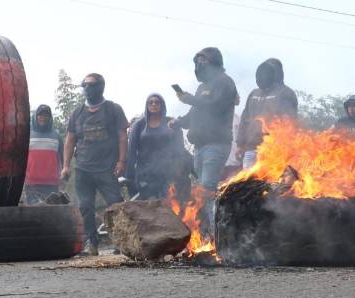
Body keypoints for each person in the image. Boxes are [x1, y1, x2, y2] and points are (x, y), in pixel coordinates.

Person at [62, 74, 129, 256]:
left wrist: (122, 161)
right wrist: (66, 165)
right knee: (85, 206)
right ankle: (92, 243)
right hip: (83, 168)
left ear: (100, 87)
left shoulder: (113, 109)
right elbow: (70, 140)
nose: (87, 88)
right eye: (85, 85)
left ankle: (121, 242)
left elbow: (123, 136)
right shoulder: (77, 113)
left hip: (107, 168)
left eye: (91, 85)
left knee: (116, 204)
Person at [173, 47, 239, 194]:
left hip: (216, 144)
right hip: (199, 146)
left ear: (214, 61)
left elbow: (216, 107)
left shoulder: (225, 81)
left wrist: (191, 100)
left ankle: (212, 217)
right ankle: (206, 217)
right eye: (197, 61)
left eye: (203, 60)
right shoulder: (201, 87)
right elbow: (194, 114)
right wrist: (178, 122)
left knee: (207, 189)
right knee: (203, 188)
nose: (199, 64)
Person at [236, 58, 298, 170]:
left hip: (272, 151)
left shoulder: (285, 93)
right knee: (248, 185)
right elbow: (244, 119)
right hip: (250, 149)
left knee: (268, 184)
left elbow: (289, 123)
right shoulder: (253, 94)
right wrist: (240, 144)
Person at [127, 94, 184, 200]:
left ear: (162, 105)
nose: (154, 104)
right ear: (147, 105)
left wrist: (180, 167)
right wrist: (130, 175)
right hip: (145, 172)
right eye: (151, 102)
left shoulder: (170, 122)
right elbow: (132, 151)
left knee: (170, 203)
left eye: (157, 102)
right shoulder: (139, 125)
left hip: (168, 170)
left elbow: (179, 147)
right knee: (151, 204)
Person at [23, 105, 65, 205]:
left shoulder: (57, 136)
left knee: (52, 213)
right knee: (33, 212)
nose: (43, 118)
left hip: (52, 183)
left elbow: (63, 158)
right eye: (40, 115)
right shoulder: (27, 134)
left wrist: (64, 178)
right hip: (31, 183)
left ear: (50, 118)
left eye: (46, 115)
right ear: (35, 117)